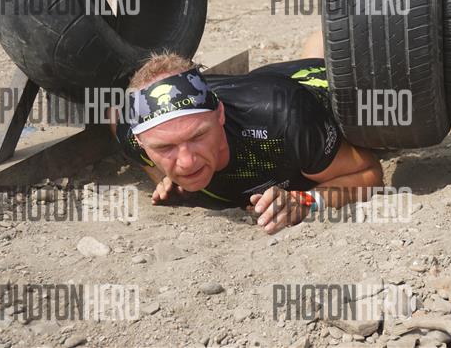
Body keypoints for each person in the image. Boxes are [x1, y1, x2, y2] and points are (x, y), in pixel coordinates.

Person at [111, 31, 383, 234]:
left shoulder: (283, 120)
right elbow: (114, 117)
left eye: (197, 136)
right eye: (165, 148)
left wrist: (306, 199)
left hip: (320, 91)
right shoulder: (131, 133)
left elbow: (369, 174)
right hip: (260, 85)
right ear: (140, 142)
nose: (186, 162)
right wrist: (165, 177)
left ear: (219, 114)